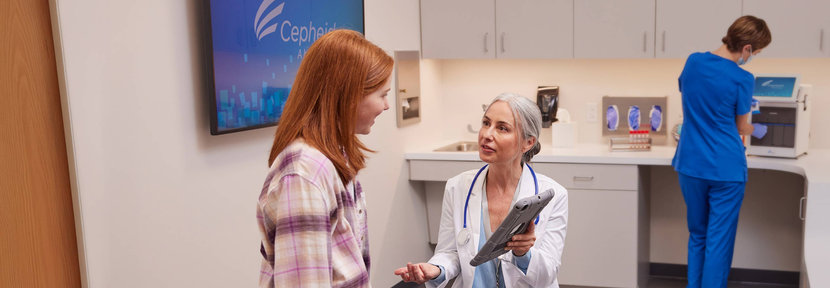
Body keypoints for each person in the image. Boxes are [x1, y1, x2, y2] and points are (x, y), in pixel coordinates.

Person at [256, 29, 392, 288]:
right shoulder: (304, 174)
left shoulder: (334, 157)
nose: (386, 105)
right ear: (349, 96)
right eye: (382, 94)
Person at [394, 94, 569, 287]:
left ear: (528, 143)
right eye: (486, 123)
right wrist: (436, 269)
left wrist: (524, 254)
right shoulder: (457, 187)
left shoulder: (554, 195)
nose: (487, 134)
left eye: (502, 128)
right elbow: (450, 252)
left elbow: (547, 275)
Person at [672, 15, 771, 288]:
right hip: (726, 168)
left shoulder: (693, 61)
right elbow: (741, 126)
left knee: (698, 234)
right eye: (757, 52)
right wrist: (758, 128)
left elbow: (691, 96)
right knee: (719, 240)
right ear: (748, 48)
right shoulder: (743, 78)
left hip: (690, 164)